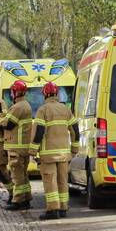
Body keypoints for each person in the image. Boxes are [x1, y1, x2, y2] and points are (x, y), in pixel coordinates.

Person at [29, 82, 79, 220]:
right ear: (57, 94)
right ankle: (63, 208)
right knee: (62, 181)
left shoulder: (43, 110)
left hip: (48, 155)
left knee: (50, 181)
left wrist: (33, 151)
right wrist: (74, 148)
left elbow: (39, 132)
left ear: (45, 94)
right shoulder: (66, 109)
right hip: (64, 155)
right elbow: (75, 130)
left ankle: (52, 210)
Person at [0, 80, 34, 210]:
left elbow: (8, 124)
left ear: (15, 92)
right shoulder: (26, 105)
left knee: (17, 176)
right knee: (23, 175)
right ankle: (26, 199)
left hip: (16, 147)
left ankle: (18, 201)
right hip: (23, 147)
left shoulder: (18, 107)